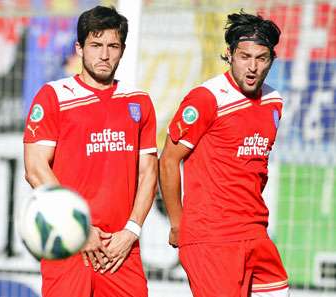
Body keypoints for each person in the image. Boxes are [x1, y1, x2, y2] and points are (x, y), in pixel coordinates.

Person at [23, 5, 157, 297]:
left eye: (113, 46)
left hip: (120, 249)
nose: (105, 55)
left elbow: (149, 172)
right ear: (79, 48)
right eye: (96, 45)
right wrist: (77, 228)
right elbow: (35, 169)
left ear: (122, 50)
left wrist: (131, 231)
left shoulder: (139, 102)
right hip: (69, 243)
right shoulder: (54, 96)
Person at [159, 11, 289, 297]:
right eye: (244, 56)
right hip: (211, 237)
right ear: (229, 55)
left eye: (261, 58)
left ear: (271, 61)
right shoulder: (207, 98)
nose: (252, 67)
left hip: (255, 233)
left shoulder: (274, 101)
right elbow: (168, 159)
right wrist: (178, 224)